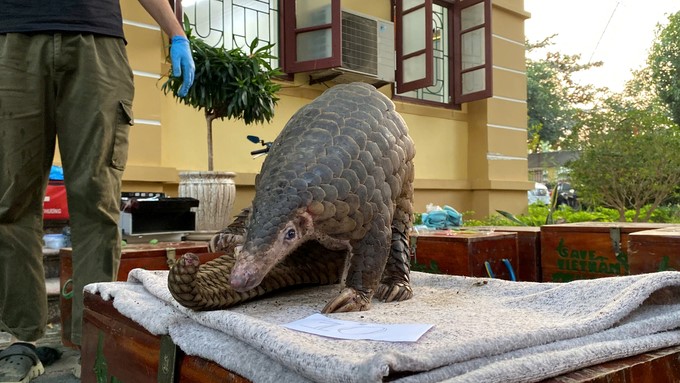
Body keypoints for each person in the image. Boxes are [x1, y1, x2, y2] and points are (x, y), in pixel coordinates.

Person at [0, 1, 194, 381]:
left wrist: (176, 32)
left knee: (97, 201)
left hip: (96, 41)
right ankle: (23, 339)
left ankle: (92, 343)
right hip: (11, 40)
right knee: (11, 202)